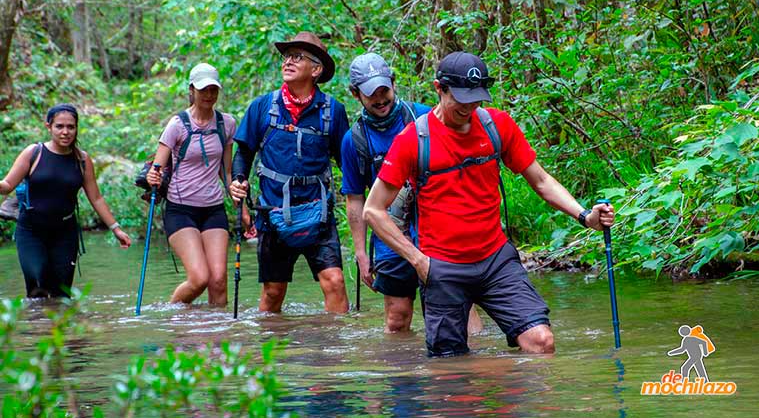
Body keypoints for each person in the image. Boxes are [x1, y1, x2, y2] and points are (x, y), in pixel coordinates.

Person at [363, 51, 616, 357]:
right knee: (450, 369)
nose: (469, 107)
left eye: (476, 98)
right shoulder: (413, 140)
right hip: (442, 268)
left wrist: (585, 215)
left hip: (495, 260)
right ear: (438, 88)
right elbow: (373, 210)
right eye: (461, 98)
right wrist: (419, 261)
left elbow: (541, 180)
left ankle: (518, 401)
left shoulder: (497, 126)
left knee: (541, 342)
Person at [341, 52, 482, 333]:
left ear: (394, 83)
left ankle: (473, 368)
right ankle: (403, 372)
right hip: (389, 234)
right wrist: (360, 253)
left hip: (438, 226)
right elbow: (355, 200)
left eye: (385, 90)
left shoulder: (425, 116)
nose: (380, 99)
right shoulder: (353, 140)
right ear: (356, 94)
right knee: (397, 317)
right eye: (372, 94)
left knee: (459, 308)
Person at [230, 31, 350, 313]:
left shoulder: (333, 111)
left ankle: (337, 353)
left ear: (316, 70)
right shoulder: (262, 107)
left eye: (298, 57)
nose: (288, 62)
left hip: (318, 213)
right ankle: (272, 351)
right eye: (286, 56)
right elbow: (244, 153)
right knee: (273, 293)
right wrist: (238, 182)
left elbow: (346, 162)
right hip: (272, 214)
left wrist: (364, 198)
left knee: (334, 281)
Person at [0, 103, 132, 298]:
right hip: (31, 231)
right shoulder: (33, 153)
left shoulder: (82, 160)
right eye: (59, 126)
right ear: (49, 127)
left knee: (61, 293)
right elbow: (7, 185)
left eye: (71, 127)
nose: (65, 132)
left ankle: (62, 328)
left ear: (77, 128)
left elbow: (95, 197)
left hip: (65, 233)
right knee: (38, 286)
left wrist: (116, 228)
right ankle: (37, 328)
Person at [146, 63, 236, 306]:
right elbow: (157, 168)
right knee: (199, 278)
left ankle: (217, 340)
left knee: (218, 279)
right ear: (192, 90)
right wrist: (153, 176)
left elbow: (226, 173)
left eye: (213, 90)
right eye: (203, 89)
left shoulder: (226, 124)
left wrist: (242, 207)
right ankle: (176, 319)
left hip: (214, 208)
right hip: (181, 210)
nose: (209, 95)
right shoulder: (177, 124)